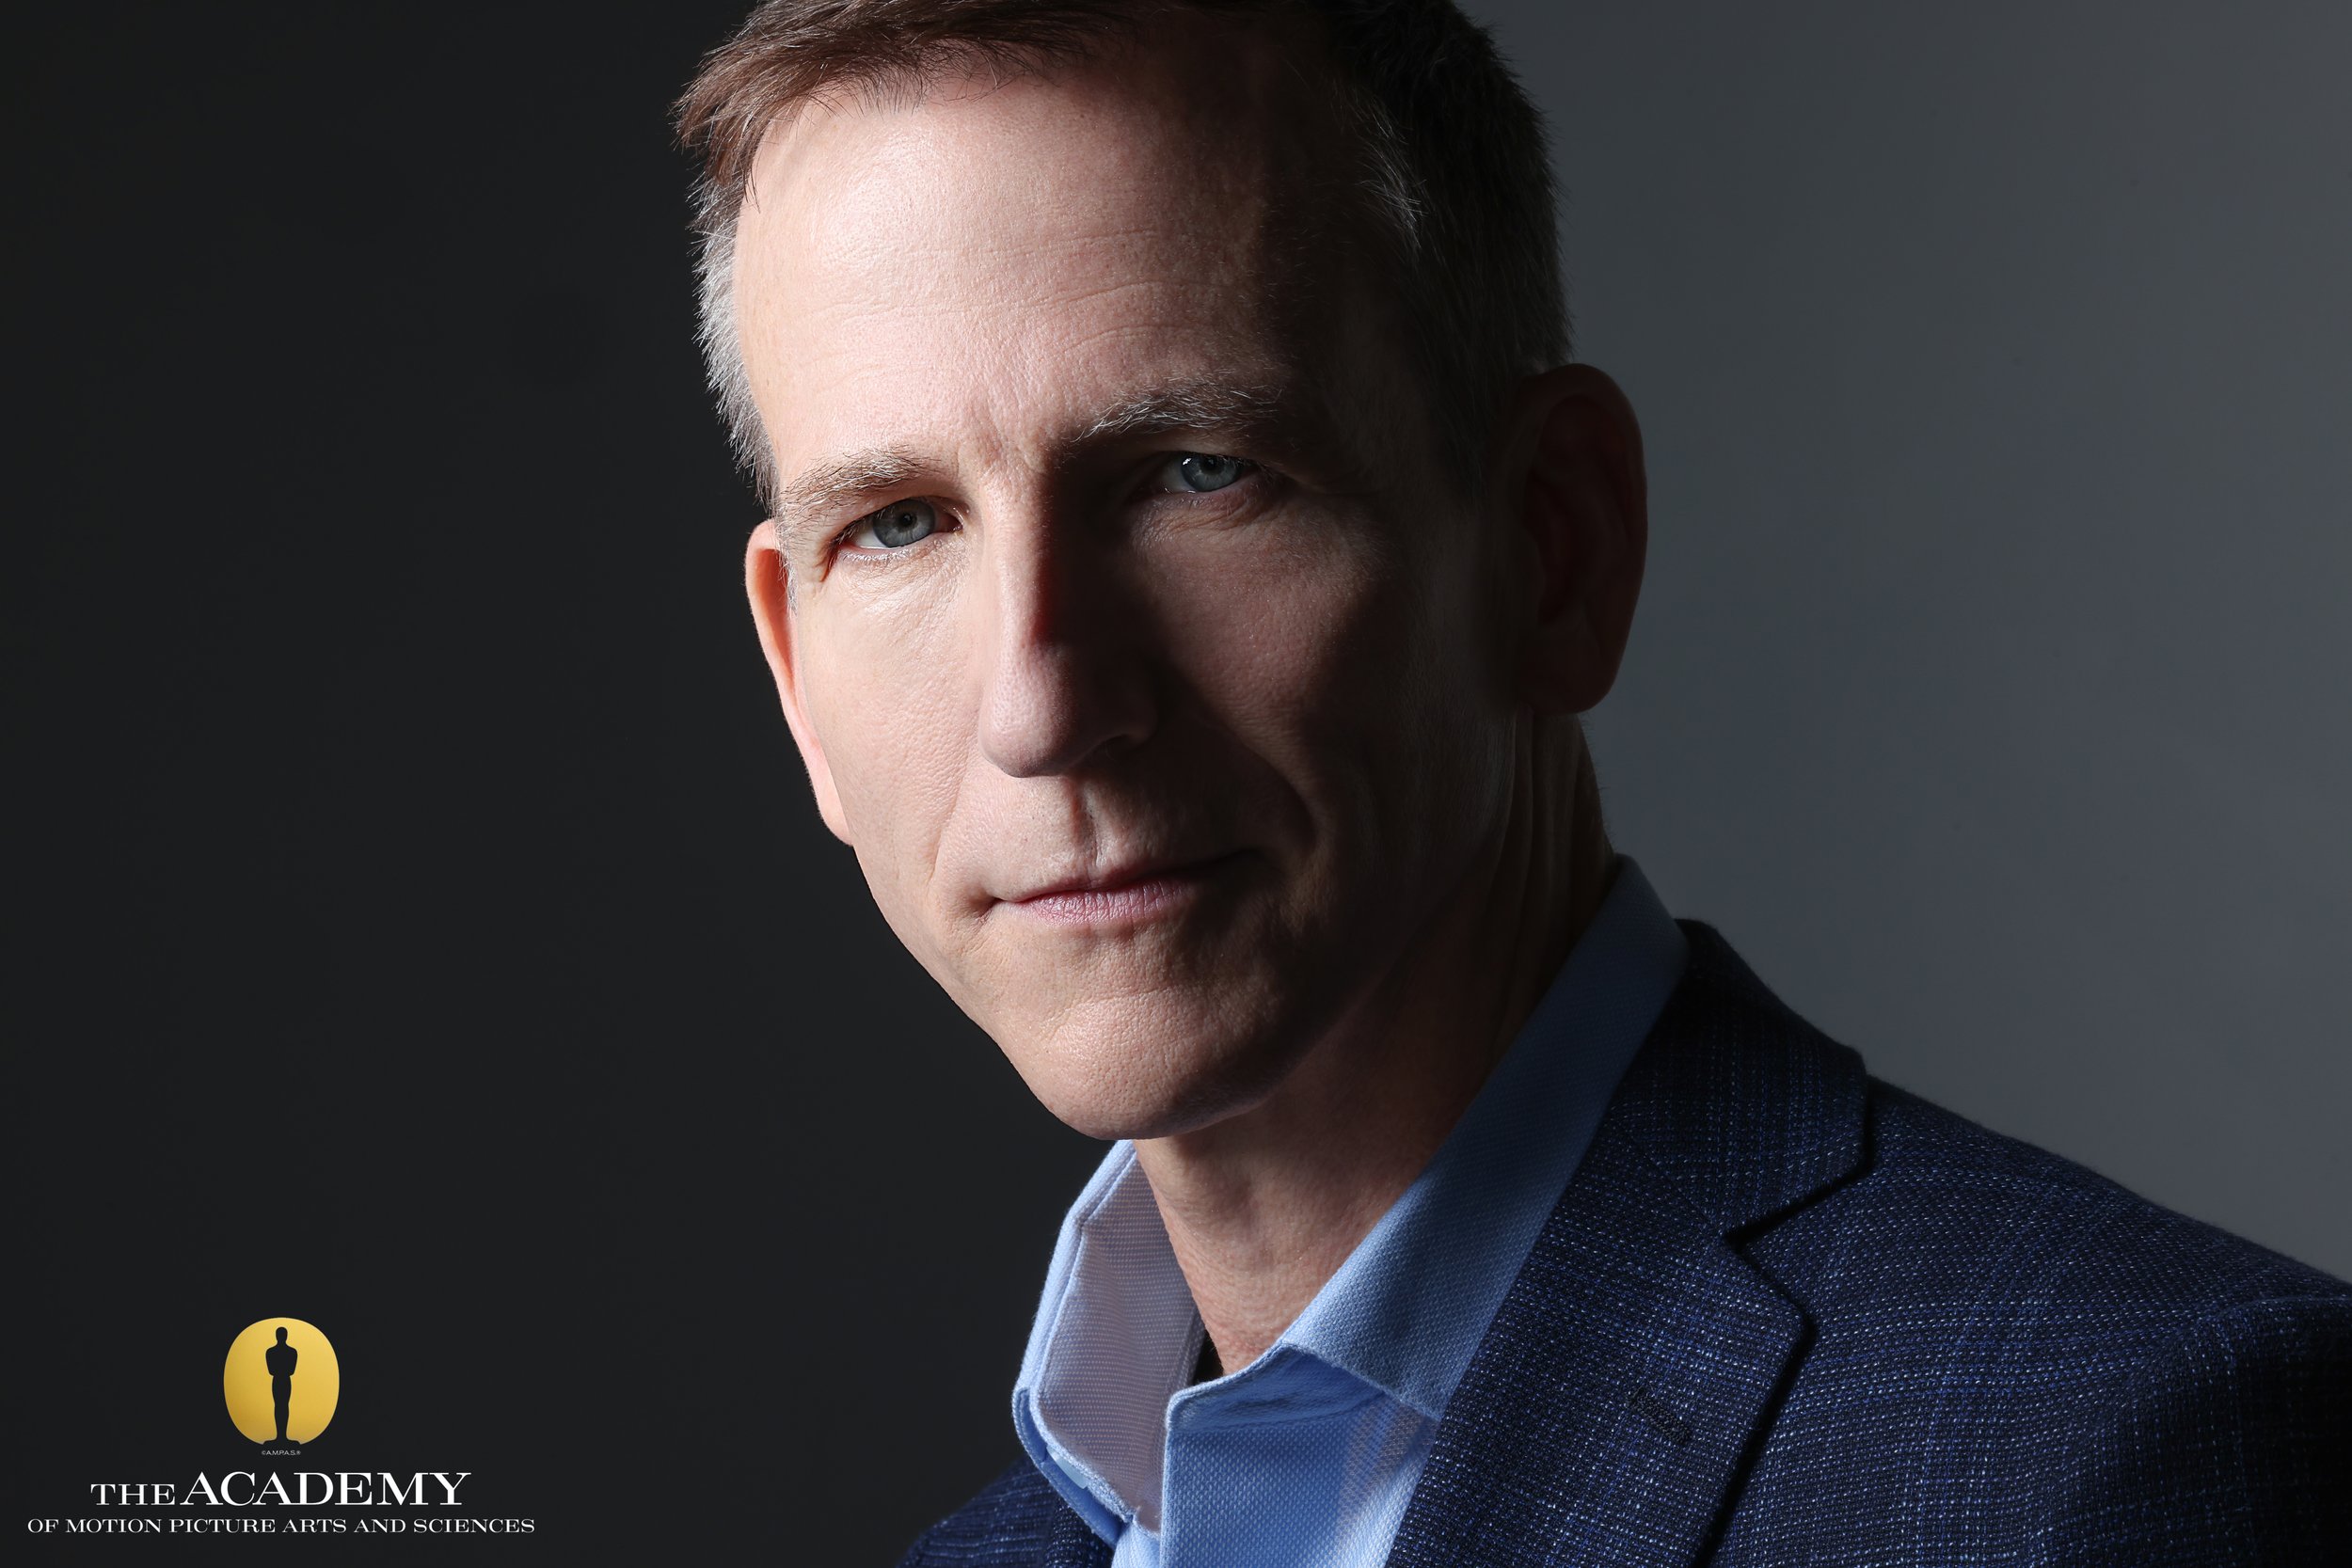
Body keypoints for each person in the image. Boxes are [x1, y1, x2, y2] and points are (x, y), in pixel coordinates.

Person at [674, 2, 2352, 1561]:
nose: (1042, 705)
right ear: (798, 678)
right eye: (898, 525)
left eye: (1197, 473)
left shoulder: (2115, 1467)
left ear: (1556, 546)